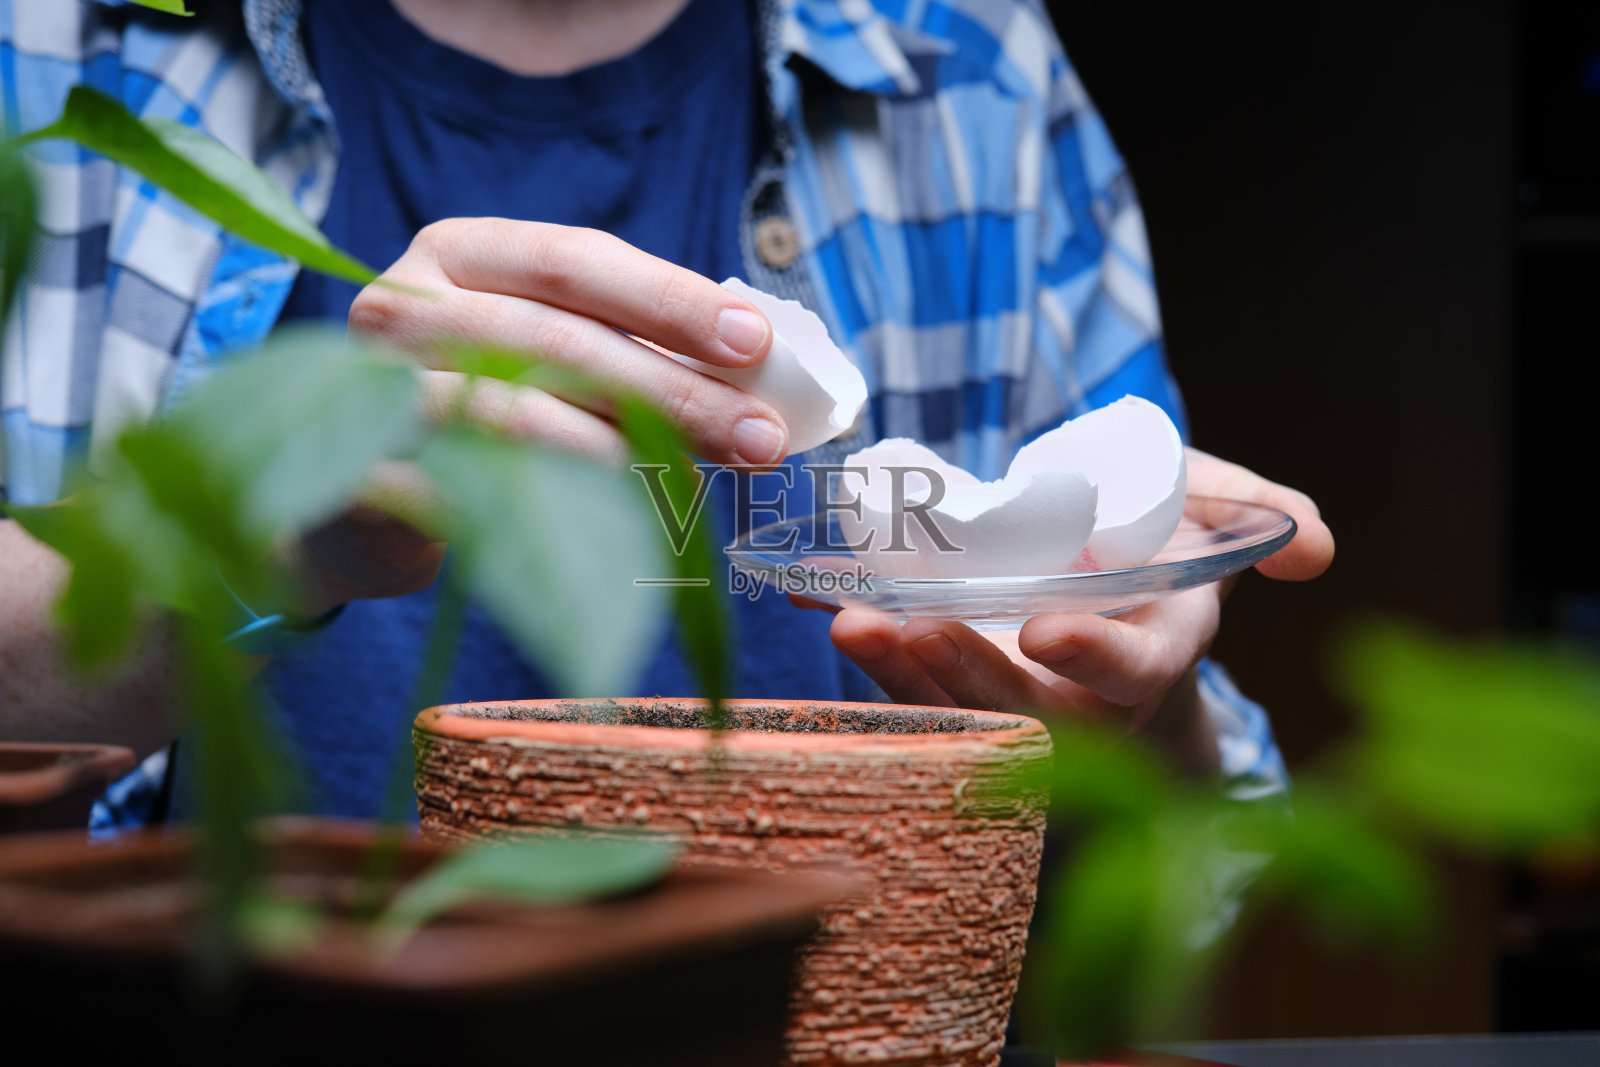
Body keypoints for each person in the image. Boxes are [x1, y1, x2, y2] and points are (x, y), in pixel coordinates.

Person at [0, 0, 1333, 824]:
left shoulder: (968, 68)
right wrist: (273, 534)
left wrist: (1134, 717)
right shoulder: (57, 52)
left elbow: (1188, 818)